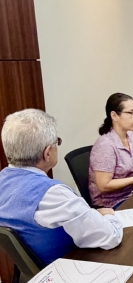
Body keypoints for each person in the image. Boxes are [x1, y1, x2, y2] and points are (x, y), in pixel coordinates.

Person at [0, 109, 123, 266]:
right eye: (56, 142)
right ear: (47, 153)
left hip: (34, 274)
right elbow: (111, 237)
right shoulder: (53, 194)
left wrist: (90, 215)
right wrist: (110, 216)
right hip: (69, 268)